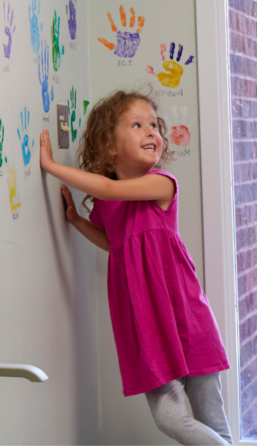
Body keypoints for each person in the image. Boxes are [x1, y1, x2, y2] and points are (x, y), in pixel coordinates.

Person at [39, 89, 231, 445]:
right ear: (110, 147)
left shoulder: (162, 185)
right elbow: (116, 243)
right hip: (146, 326)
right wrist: (78, 221)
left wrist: (53, 167)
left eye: (154, 125)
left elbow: (110, 192)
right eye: (138, 125)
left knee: (213, 423)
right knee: (168, 418)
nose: (151, 132)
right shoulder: (106, 204)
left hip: (187, 319)